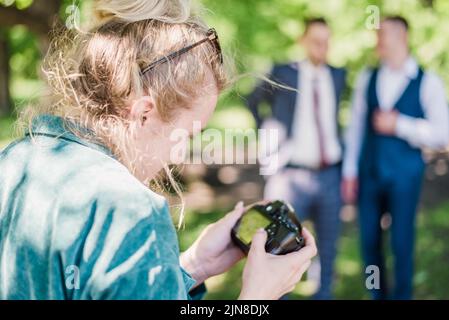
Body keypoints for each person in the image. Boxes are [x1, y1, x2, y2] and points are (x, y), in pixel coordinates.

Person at [0, 0, 317, 300]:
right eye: (187, 134)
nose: (181, 154)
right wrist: (257, 297)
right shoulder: (126, 207)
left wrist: (193, 266)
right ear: (144, 113)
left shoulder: (16, 159)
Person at [342, 16, 449, 300]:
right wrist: (350, 171)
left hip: (405, 176)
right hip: (369, 173)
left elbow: (443, 134)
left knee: (402, 241)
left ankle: (402, 295)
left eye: (383, 35)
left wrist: (400, 125)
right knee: (369, 242)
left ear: (402, 37)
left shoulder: (428, 81)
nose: (377, 41)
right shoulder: (368, 77)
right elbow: (355, 128)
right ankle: (376, 294)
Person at [246, 17, 346, 299]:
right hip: (289, 174)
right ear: (303, 41)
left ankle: (323, 294)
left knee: (328, 247)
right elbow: (252, 99)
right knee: (279, 246)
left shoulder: (338, 75)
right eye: (315, 40)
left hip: (329, 173)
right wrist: (267, 132)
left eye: (326, 41)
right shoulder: (283, 72)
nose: (321, 47)